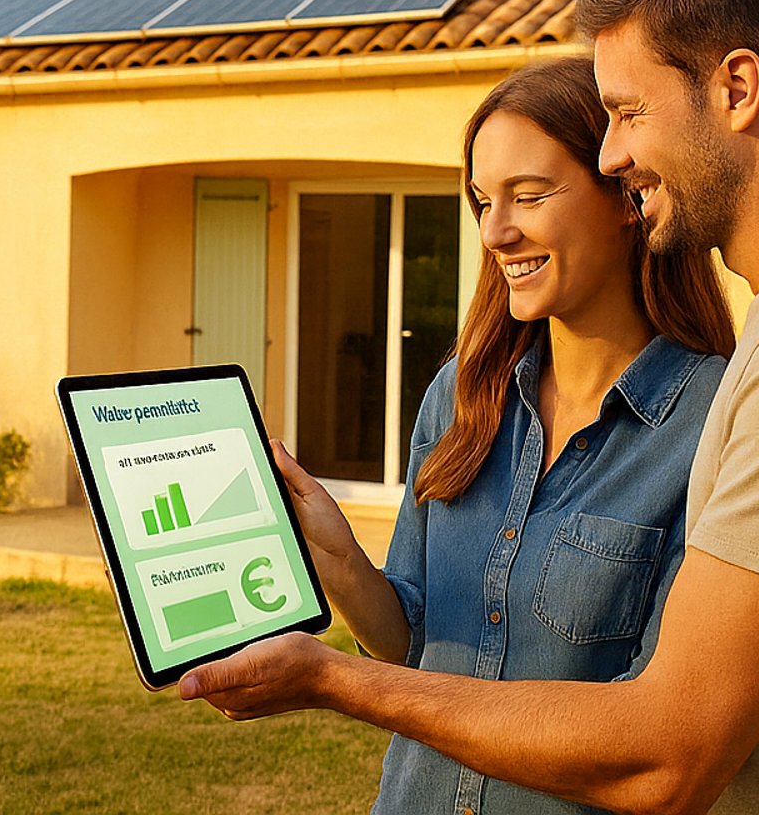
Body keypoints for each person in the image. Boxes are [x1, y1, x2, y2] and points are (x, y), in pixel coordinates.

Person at [180, 0, 759, 815]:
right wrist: (343, 569)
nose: (615, 153)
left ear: (738, 86)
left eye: (628, 112)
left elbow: (668, 752)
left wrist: (331, 681)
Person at [274, 53, 734, 814]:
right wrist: (341, 559)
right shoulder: (459, 395)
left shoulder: (711, 422)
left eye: (529, 195)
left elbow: (657, 731)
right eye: (483, 201)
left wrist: (332, 682)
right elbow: (410, 639)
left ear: (624, 196)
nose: (496, 231)